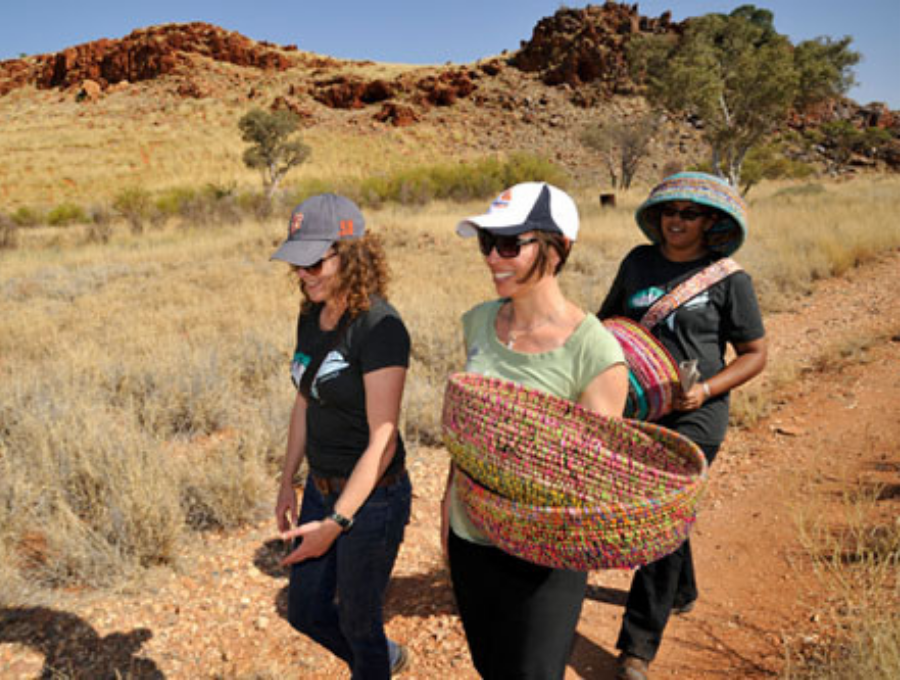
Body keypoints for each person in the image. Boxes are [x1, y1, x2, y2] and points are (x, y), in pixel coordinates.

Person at [441, 181, 630, 679]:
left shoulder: (596, 353)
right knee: (492, 668)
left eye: (510, 245)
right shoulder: (479, 323)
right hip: (471, 538)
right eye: (487, 243)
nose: (492, 258)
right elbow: (466, 434)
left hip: (546, 554)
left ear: (559, 247)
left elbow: (591, 481)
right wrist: (448, 514)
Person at [598, 172, 767, 680]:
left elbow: (755, 354)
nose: (677, 221)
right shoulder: (637, 262)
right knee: (667, 511)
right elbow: (607, 323)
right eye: (670, 212)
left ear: (710, 221)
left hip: (699, 413)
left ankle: (638, 648)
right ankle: (683, 589)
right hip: (642, 409)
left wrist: (708, 390)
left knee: (657, 513)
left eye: (689, 214)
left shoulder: (728, 278)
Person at [272, 193, 413, 679]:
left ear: (349, 254)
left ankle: (373, 662)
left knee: (358, 620)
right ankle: (380, 659)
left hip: (373, 501)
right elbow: (304, 400)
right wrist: (288, 478)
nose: (303, 274)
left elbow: (384, 440)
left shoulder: (381, 326)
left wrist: (337, 521)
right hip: (319, 487)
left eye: (313, 262)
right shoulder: (311, 315)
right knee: (306, 611)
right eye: (297, 263)